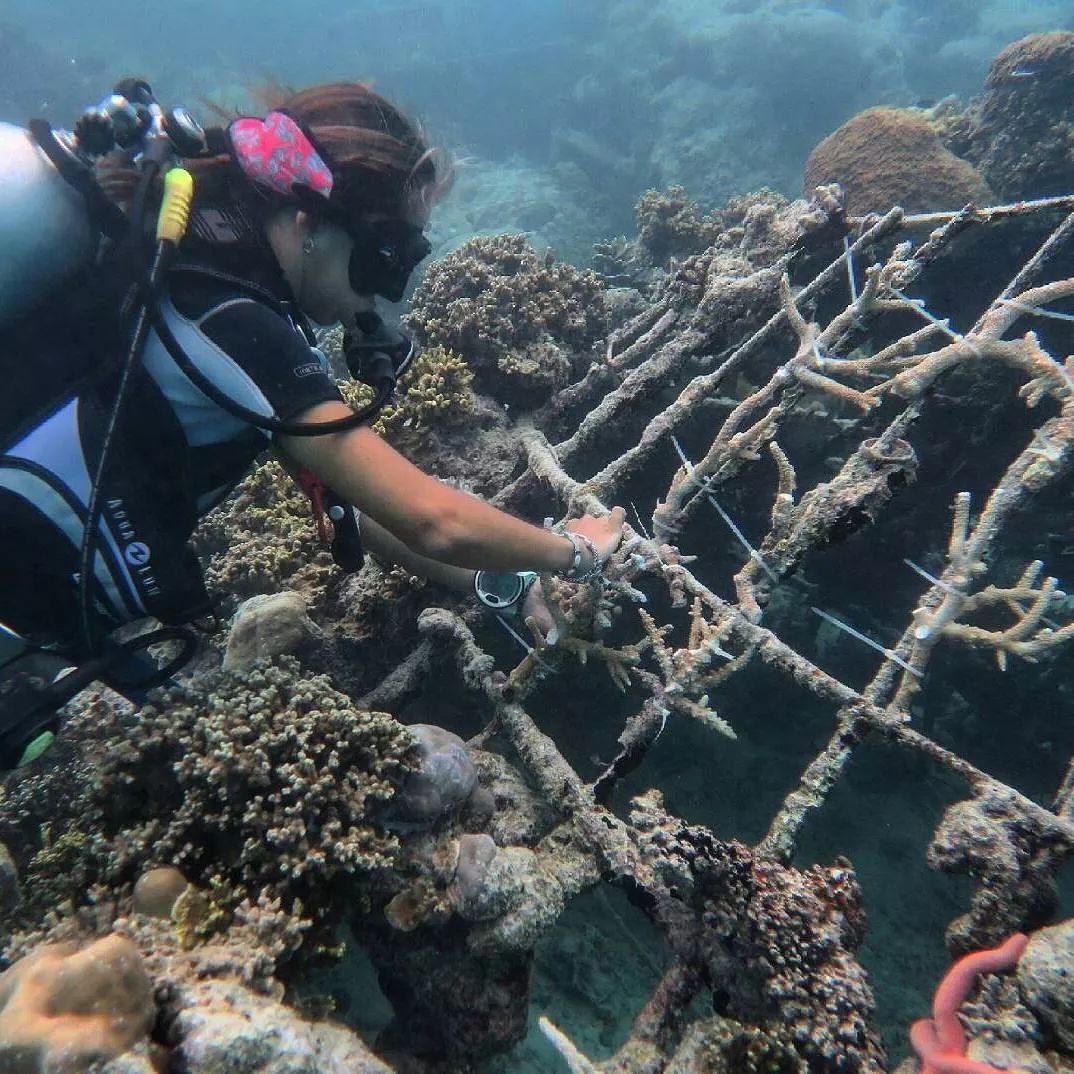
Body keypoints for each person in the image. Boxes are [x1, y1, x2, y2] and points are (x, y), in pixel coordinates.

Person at [0, 81, 624, 767]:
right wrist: (573, 551)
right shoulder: (235, 321)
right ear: (307, 225)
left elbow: (363, 508)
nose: (384, 293)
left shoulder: (202, 280)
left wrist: (504, 579)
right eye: (384, 256)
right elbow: (431, 518)